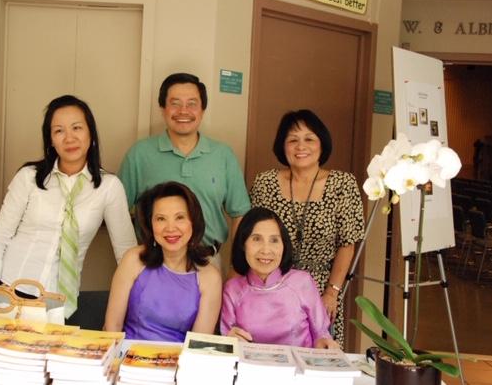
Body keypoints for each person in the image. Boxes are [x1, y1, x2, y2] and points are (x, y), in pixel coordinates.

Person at [0, 95, 136, 320]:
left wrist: (133, 308)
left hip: (58, 300)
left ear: (91, 134)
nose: (69, 138)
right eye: (59, 131)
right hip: (8, 288)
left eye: (77, 128)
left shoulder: (109, 187)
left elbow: (126, 253)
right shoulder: (29, 177)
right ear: (50, 140)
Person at [249, 109, 364, 348]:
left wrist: (332, 292)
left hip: (321, 288)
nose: (301, 146)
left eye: (309, 139)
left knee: (319, 355)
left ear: (322, 144)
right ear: (282, 146)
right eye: (293, 140)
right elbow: (252, 237)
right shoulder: (265, 182)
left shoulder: (343, 184)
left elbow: (347, 244)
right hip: (272, 285)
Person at [118, 73, 251, 263]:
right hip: (153, 261)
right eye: (175, 103)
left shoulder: (223, 155)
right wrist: (130, 260)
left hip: (208, 260)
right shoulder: (139, 154)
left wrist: (237, 266)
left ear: (202, 110)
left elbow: (240, 213)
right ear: (162, 109)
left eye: (192, 103)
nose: (183, 111)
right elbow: (118, 212)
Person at [103, 181, 222, 342]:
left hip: (180, 357)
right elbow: (112, 327)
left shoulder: (210, 277)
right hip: (127, 354)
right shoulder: (133, 259)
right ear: (150, 224)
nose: (170, 228)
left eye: (180, 217)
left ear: (193, 222)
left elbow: (198, 346)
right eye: (161, 219)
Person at [220, 207, 338, 349]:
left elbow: (321, 334)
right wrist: (229, 340)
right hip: (249, 362)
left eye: (274, 240)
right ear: (243, 244)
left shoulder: (302, 282)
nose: (266, 250)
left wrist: (325, 344)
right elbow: (226, 337)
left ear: (283, 245)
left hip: (299, 362)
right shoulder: (232, 289)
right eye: (256, 239)